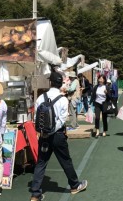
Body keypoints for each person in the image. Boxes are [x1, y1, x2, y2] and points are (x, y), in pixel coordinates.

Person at [30, 71, 88, 201]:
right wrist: (52, 131)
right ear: (60, 83)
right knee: (65, 160)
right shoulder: (62, 99)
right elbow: (62, 120)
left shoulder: (41, 98)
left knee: (41, 163)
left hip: (44, 135)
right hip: (57, 135)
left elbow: (36, 118)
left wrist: (44, 132)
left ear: (50, 82)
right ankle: (74, 185)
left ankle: (35, 194)